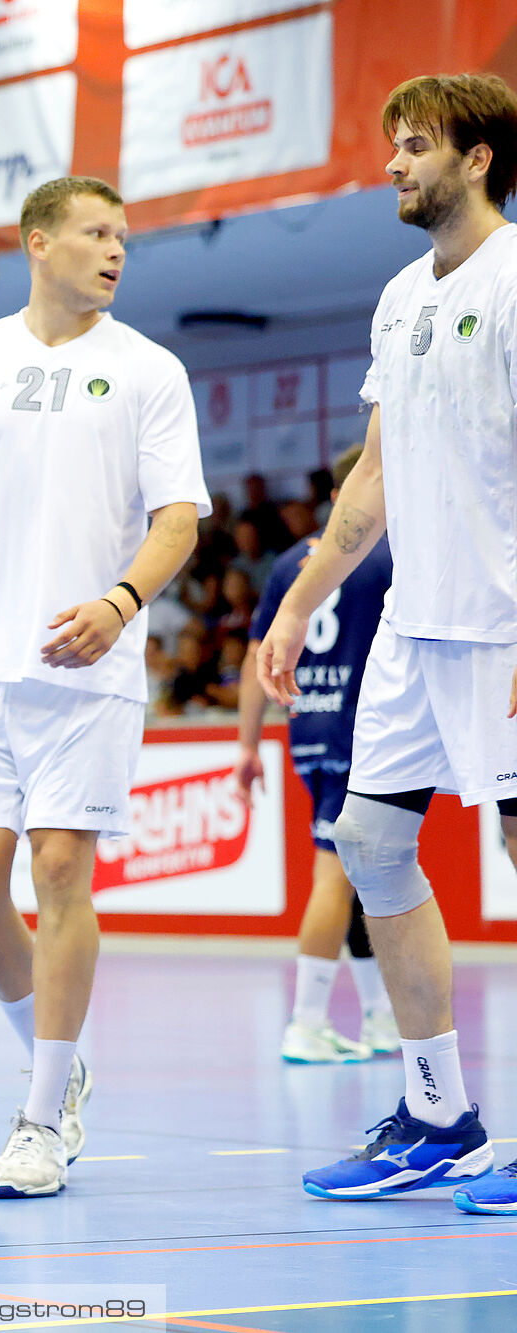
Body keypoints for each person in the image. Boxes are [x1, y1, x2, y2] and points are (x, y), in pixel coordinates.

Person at [0, 175, 207, 1200]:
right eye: (94, 233)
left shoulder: (149, 371)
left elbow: (175, 519)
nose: (115, 251)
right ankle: (60, 1058)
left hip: (91, 670)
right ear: (37, 242)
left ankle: (38, 1115)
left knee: (59, 871)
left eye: (123, 236)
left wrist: (119, 603)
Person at [256, 73, 517, 1210]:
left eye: (411, 144)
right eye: (386, 143)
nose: (389, 164)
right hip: (417, 625)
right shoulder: (398, 296)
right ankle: (436, 1115)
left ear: (477, 159)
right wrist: (298, 598)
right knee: (367, 844)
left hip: (505, 616)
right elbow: (370, 478)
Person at [235, 446, 400, 1064]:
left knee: (359, 874)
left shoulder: (286, 565)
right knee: (338, 876)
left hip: (308, 732)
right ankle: (305, 1021)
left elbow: (257, 660)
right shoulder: (387, 554)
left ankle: (381, 1016)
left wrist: (248, 745)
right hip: (365, 734)